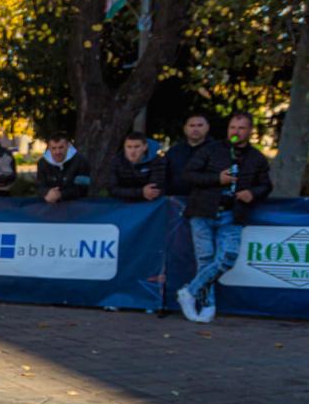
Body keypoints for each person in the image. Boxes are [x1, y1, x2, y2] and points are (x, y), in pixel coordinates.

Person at [176, 112, 271, 323]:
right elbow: (188, 175)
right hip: (202, 211)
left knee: (228, 257)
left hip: (233, 213)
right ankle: (208, 305)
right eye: (232, 128)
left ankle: (190, 291)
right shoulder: (211, 149)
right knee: (205, 259)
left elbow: (266, 185)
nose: (236, 132)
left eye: (241, 128)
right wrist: (217, 179)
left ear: (250, 131)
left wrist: (252, 193)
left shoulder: (256, 157)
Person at [162, 114, 215, 196]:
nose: (195, 129)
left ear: (208, 127)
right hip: (175, 199)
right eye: (192, 125)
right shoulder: (174, 151)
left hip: (206, 199)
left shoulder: (217, 150)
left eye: (200, 125)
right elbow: (164, 174)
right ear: (185, 128)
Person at [109, 133, 166, 202]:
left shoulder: (157, 160)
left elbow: (154, 190)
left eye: (137, 147)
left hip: (153, 203)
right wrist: (141, 192)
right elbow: (113, 189)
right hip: (123, 203)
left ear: (145, 147)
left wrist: (129, 193)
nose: (132, 151)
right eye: (129, 147)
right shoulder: (116, 161)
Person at [36, 134, 91, 203]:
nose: (57, 152)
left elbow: (83, 188)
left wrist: (61, 194)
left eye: (61, 147)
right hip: (50, 205)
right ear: (49, 148)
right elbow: (40, 186)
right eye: (54, 148)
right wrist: (47, 192)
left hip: (77, 204)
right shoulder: (42, 163)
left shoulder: (81, 161)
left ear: (68, 146)